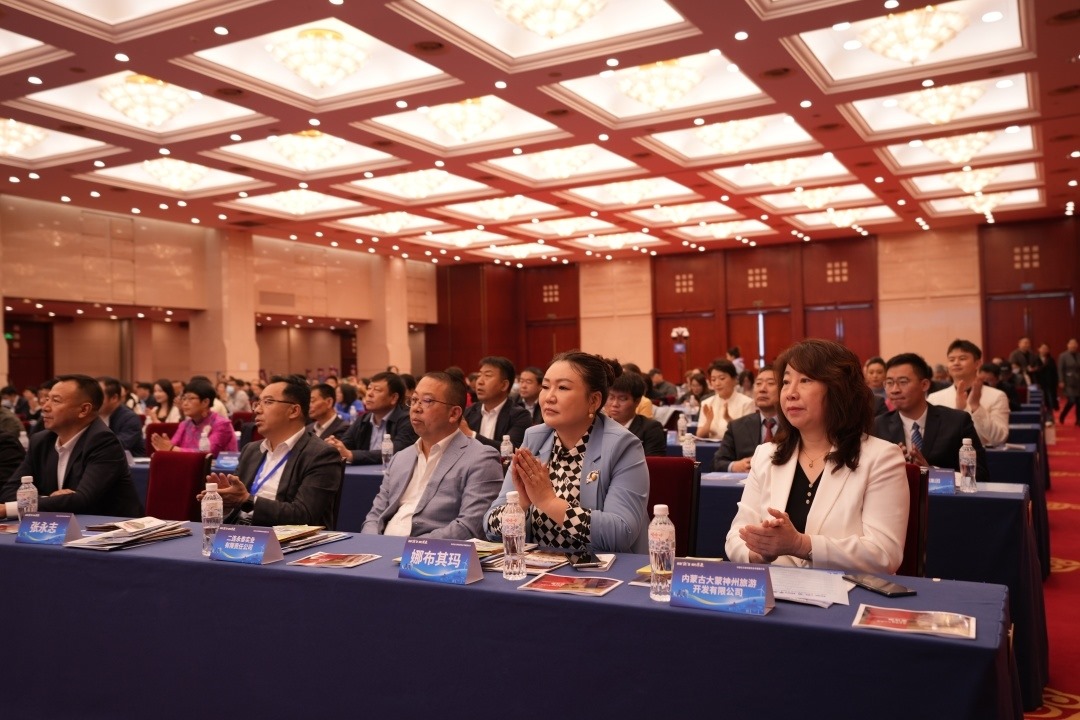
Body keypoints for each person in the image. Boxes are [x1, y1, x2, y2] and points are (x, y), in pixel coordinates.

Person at [725, 340, 909, 574]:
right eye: (786, 382)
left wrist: (801, 545)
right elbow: (736, 536)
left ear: (839, 389)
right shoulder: (767, 454)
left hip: (846, 592)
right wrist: (760, 552)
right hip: (775, 589)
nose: (790, 393)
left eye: (805, 380)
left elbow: (884, 554)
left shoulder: (881, 458)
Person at [485, 351, 649, 553]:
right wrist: (519, 505)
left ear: (594, 401)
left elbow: (620, 534)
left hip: (600, 568)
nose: (549, 397)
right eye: (545, 387)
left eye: (562, 387)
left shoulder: (622, 446)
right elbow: (490, 527)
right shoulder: (535, 439)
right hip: (536, 566)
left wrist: (548, 502)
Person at [362, 372, 502, 539]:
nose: (416, 408)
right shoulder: (400, 458)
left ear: (454, 414)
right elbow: (374, 516)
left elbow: (469, 527)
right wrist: (372, 543)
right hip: (382, 547)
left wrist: (407, 548)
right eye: (414, 400)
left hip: (429, 551)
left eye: (427, 401)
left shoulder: (481, 458)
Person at [202, 374, 343, 528]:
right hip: (242, 534)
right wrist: (227, 503)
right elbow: (238, 504)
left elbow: (304, 515)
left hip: (287, 538)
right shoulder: (251, 450)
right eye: (257, 403)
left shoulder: (321, 455)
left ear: (294, 411)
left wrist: (247, 500)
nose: (257, 409)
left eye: (268, 402)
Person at [1, 375, 143, 518]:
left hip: (109, 526)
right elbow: (9, 491)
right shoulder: (41, 441)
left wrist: (10, 509)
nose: (45, 407)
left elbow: (82, 500)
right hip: (59, 525)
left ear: (84, 410)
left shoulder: (103, 442)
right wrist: (50, 500)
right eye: (47, 399)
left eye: (56, 401)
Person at [873, 353, 988, 483]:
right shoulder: (877, 426)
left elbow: (980, 475)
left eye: (903, 382)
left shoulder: (957, 422)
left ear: (924, 385)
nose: (894, 390)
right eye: (889, 383)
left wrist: (932, 473)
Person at [928, 339, 1009, 447]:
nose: (956, 363)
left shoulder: (997, 396)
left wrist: (976, 407)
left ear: (977, 363)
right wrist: (958, 412)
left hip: (984, 456)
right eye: (951, 360)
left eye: (962, 358)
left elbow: (999, 438)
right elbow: (931, 437)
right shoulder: (934, 398)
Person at [326, 372, 417, 465]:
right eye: (369, 388)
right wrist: (335, 445)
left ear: (394, 397)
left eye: (377, 390)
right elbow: (346, 444)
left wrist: (352, 455)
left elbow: (397, 452)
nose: (369, 394)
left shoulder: (408, 420)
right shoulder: (363, 420)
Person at [713, 367, 780, 472]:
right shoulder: (737, 427)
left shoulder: (795, 426)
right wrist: (735, 466)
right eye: (758, 383)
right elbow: (717, 462)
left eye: (770, 383)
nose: (762, 389)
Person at [461, 356, 531, 450]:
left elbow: (511, 450)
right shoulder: (469, 412)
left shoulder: (520, 416)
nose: (479, 382)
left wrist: (471, 435)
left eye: (487, 376)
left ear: (504, 385)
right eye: (479, 376)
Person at [151, 380, 237, 456]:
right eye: (184, 398)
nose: (185, 403)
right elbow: (171, 447)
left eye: (191, 398)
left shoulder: (221, 424)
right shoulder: (185, 425)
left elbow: (208, 453)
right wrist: (165, 449)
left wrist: (172, 449)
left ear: (205, 402)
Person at [604, 371, 666, 456]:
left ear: (637, 401)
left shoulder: (651, 429)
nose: (615, 404)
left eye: (622, 399)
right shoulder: (597, 426)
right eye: (611, 397)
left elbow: (653, 462)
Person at [696, 359, 755, 440]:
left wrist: (729, 420)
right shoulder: (707, 403)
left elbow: (748, 436)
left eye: (722, 378)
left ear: (734, 380)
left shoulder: (747, 403)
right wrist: (708, 421)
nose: (717, 383)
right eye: (713, 380)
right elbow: (699, 436)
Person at [97, 376, 145, 457]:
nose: (93, 400)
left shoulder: (130, 418)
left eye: (98, 396)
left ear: (114, 398)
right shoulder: (91, 416)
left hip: (128, 462)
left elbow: (117, 445)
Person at [1060, 339, 1080, 425]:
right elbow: (1060, 369)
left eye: (1075, 344)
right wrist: (1061, 380)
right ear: (1068, 345)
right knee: (1071, 400)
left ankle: (1078, 420)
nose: (1073, 346)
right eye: (1071, 344)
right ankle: (1063, 415)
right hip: (1068, 382)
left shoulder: (1079, 355)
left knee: (1079, 402)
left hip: (1078, 382)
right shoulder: (1063, 356)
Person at [1036, 343, 1058, 415]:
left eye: (1046, 348)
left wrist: (1056, 382)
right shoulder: (1035, 359)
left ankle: (1050, 416)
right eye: (1043, 348)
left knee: (1050, 400)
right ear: (1038, 349)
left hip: (1050, 383)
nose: (1044, 350)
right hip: (1039, 383)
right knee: (1041, 401)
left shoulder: (1051, 360)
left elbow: (1055, 372)